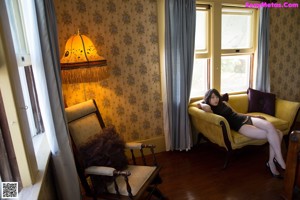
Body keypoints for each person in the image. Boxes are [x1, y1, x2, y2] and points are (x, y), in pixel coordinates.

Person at [198, 89, 286, 178]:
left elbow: (236, 113)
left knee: (272, 127)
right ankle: (273, 162)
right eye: (212, 97)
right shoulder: (211, 110)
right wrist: (202, 103)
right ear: (208, 99)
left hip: (245, 118)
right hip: (240, 126)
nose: (215, 99)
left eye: (217, 96)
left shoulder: (224, 103)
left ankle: (274, 160)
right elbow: (206, 107)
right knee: (277, 134)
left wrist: (255, 116)